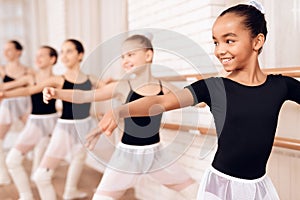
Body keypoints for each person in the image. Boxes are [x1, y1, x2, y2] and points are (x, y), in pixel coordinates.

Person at [82, 2, 300, 200]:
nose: (220, 50)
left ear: (257, 41)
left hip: (260, 187)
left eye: (229, 40)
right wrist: (121, 110)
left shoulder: (281, 86)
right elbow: (162, 102)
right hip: (220, 186)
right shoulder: (213, 87)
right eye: (216, 42)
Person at [43, 34, 199, 200]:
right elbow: (84, 96)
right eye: (122, 57)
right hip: (126, 156)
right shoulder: (123, 86)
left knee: (193, 190)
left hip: (156, 154)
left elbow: (194, 98)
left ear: (148, 55)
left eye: (130, 55)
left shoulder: (164, 87)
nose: (124, 60)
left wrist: (206, 93)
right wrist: (57, 93)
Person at [0, 39, 104, 200]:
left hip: (84, 125)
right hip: (63, 126)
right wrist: (5, 94)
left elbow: (108, 89)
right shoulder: (57, 80)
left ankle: (70, 190)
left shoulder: (91, 78)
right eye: (62, 51)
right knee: (41, 174)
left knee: (79, 157)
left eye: (69, 51)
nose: (64, 55)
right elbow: (30, 89)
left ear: (80, 55)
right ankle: (27, 194)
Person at [0, 45, 59, 200]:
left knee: (43, 170)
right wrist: (4, 94)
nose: (37, 59)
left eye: (42, 55)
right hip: (35, 122)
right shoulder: (30, 77)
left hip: (53, 122)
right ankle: (26, 196)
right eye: (36, 55)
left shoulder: (58, 79)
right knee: (12, 160)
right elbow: (11, 87)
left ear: (52, 59)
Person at [0, 40, 33, 185]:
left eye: (9, 49)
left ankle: (36, 170)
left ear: (18, 52)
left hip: (25, 105)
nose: (5, 52)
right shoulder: (2, 69)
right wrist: (22, 81)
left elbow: (32, 89)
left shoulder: (29, 71)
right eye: (4, 49)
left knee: (37, 135)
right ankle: (3, 174)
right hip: (8, 105)